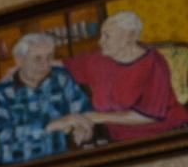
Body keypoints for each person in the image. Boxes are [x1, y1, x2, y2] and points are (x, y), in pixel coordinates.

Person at [60, 10, 188, 145]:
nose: (100, 41)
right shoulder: (99, 59)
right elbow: (66, 65)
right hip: (117, 137)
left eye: (107, 36)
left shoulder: (153, 63)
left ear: (129, 36)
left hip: (165, 133)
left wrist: (96, 117)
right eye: (101, 35)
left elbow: (150, 116)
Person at [0, 32, 93, 166]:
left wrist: (83, 128)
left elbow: (83, 109)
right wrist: (50, 125)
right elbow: (5, 134)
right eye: (37, 59)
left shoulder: (61, 78)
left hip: (60, 159)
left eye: (49, 57)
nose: (45, 65)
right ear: (19, 60)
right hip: (17, 164)